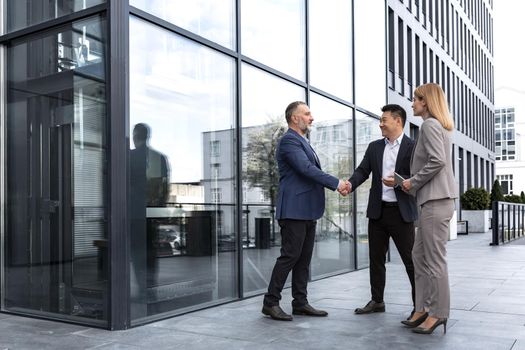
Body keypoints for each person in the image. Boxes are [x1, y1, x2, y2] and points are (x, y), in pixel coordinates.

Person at [262, 101, 349, 321]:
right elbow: (306, 169)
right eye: (307, 113)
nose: (312, 117)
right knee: (290, 256)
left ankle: (300, 303)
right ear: (294, 118)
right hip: (293, 210)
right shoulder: (289, 141)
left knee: (303, 259)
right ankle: (270, 302)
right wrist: (336, 183)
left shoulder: (303, 142)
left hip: (307, 210)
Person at [346, 104, 417, 317]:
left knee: (411, 261)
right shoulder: (374, 147)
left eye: (384, 119)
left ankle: (419, 306)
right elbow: (362, 171)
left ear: (398, 121)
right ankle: (377, 301)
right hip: (378, 212)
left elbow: (418, 176)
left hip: (401, 212)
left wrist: (398, 182)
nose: (381, 124)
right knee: (376, 259)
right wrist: (350, 184)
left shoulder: (413, 147)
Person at [401, 83, 458, 335]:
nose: (411, 103)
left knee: (434, 260)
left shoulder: (430, 125)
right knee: (419, 256)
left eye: (415, 99)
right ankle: (422, 307)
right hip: (431, 201)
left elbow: (437, 161)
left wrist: (412, 182)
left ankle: (438, 313)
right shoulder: (436, 126)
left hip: (436, 201)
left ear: (425, 102)